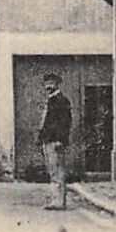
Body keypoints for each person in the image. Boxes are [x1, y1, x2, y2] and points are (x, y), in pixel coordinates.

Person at [39, 73, 72, 210]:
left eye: (51, 83)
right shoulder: (51, 100)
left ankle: (59, 201)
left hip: (55, 141)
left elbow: (65, 122)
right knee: (53, 171)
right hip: (47, 140)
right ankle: (56, 200)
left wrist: (60, 139)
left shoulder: (62, 100)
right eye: (47, 83)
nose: (49, 86)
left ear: (57, 84)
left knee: (57, 171)